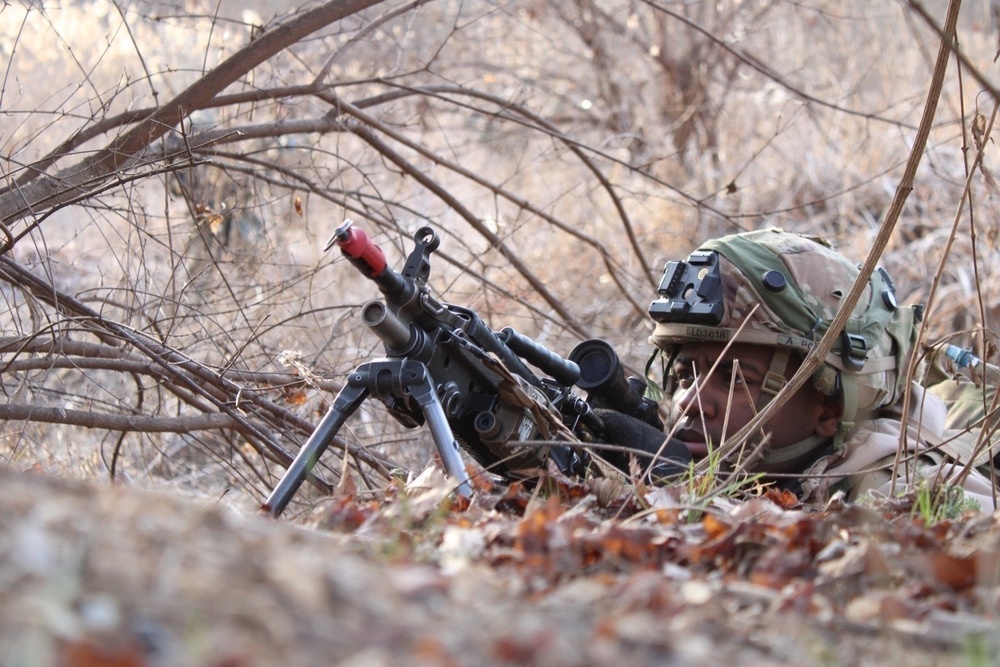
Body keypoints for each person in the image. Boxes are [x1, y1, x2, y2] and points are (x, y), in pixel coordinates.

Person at [602, 227, 997, 511]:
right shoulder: (769, 465)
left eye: (736, 379)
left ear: (828, 409)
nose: (689, 401)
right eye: (686, 376)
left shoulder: (910, 487)